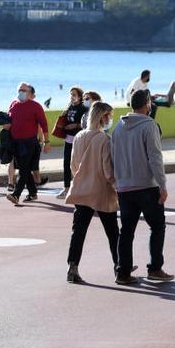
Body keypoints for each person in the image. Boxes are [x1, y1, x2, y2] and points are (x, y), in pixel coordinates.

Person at [111, 90, 173, 285]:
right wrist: (162, 185)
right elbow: (155, 157)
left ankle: (123, 272)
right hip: (146, 186)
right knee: (157, 226)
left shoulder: (118, 127)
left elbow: (113, 157)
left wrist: (117, 182)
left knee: (126, 231)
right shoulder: (149, 125)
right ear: (147, 104)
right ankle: (155, 268)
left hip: (125, 187)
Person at [65, 102, 120, 283]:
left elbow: (73, 164)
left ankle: (72, 266)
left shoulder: (79, 136)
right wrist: (117, 186)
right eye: (109, 116)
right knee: (113, 232)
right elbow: (107, 170)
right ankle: (119, 267)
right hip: (100, 191)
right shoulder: (104, 139)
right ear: (102, 117)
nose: (110, 119)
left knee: (78, 231)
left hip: (81, 190)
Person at [5, 83, 50, 205]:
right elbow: (9, 122)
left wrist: (46, 142)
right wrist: (2, 124)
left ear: (30, 93)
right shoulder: (13, 104)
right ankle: (33, 193)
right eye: (19, 90)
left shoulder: (36, 106)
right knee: (25, 169)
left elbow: (44, 125)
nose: (21, 92)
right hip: (16, 143)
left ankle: (16, 194)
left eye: (24, 90)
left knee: (23, 170)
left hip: (30, 143)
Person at [57, 87, 88, 199]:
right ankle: (66, 188)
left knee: (78, 163)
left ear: (80, 96)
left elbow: (86, 124)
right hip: (68, 138)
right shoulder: (69, 107)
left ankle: (80, 187)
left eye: (74, 94)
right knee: (66, 163)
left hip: (78, 139)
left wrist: (75, 125)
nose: (72, 96)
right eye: (71, 94)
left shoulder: (83, 108)